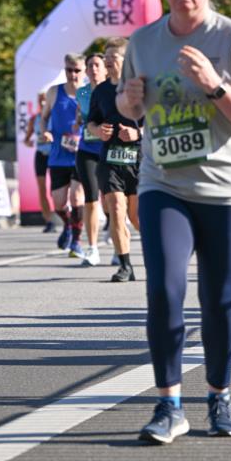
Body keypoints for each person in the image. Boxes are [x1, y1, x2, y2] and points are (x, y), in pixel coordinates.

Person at [117, 0, 231, 444]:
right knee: (163, 290)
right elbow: (126, 107)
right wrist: (128, 101)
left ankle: (219, 396)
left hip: (227, 190)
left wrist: (215, 86)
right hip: (164, 184)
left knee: (219, 300)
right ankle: (168, 404)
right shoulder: (143, 42)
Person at [87, 38, 142, 283]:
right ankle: (125, 265)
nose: (108, 62)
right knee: (117, 210)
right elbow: (91, 122)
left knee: (138, 218)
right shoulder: (100, 91)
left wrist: (138, 133)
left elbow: (156, 120)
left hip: (139, 159)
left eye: (113, 58)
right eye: (106, 58)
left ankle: (163, 254)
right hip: (110, 159)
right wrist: (99, 131)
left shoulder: (139, 87)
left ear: (125, 60)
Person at [40, 53, 86, 257]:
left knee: (77, 197)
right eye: (69, 70)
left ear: (83, 72)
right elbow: (43, 119)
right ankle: (68, 224)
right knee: (58, 202)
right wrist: (45, 132)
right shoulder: (54, 92)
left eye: (77, 70)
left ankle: (77, 241)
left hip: (82, 154)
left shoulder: (88, 94)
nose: (73, 74)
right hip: (58, 155)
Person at [75, 53, 107, 265]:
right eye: (90, 66)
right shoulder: (82, 92)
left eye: (97, 65)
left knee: (114, 200)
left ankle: (117, 239)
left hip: (111, 148)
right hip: (87, 148)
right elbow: (82, 117)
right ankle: (93, 248)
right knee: (91, 198)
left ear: (105, 68)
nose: (93, 69)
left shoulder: (114, 88)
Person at [23, 91, 55, 232]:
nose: (42, 102)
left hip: (55, 154)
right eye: (40, 100)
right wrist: (28, 142)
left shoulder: (55, 116)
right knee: (42, 189)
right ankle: (48, 221)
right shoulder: (34, 118)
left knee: (56, 189)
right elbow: (27, 138)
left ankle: (62, 215)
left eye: (44, 99)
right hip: (41, 154)